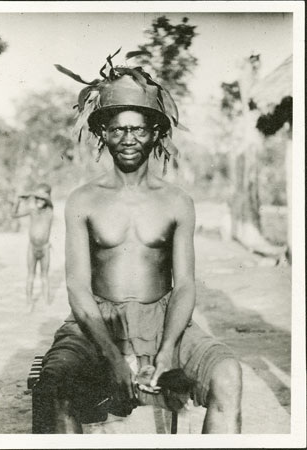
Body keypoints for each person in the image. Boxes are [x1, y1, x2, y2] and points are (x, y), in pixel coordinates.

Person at [34, 61, 242, 434]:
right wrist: (111, 356)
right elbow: (78, 288)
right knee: (55, 384)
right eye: (117, 130)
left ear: (156, 132)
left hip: (163, 320)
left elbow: (186, 285)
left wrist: (167, 350)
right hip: (96, 322)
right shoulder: (83, 200)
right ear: (102, 133)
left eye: (138, 129)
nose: (128, 139)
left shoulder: (177, 202)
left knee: (227, 375)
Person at [12, 183, 53, 311]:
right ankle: (29, 303)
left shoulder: (49, 210)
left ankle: (46, 304)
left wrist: (31, 195)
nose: (39, 201)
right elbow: (14, 214)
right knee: (30, 276)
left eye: (42, 198)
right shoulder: (32, 211)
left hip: (45, 248)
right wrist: (17, 201)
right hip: (32, 248)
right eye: (37, 198)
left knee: (44, 277)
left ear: (47, 199)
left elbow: (47, 200)